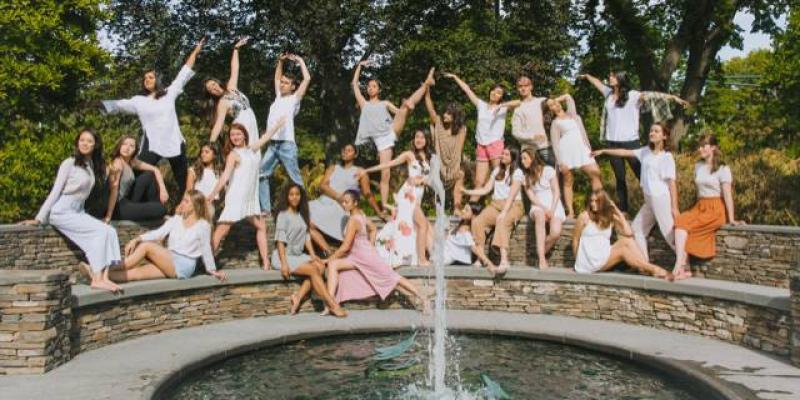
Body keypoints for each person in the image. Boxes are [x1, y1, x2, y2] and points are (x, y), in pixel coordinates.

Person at [101, 37, 206, 197]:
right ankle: (128, 203)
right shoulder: (139, 101)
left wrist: (196, 51)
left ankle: (185, 209)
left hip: (174, 142)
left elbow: (184, 72)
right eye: (145, 78)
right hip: (152, 144)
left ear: (158, 80)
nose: (147, 80)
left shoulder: (169, 93)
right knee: (139, 173)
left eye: (150, 77)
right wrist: (97, 104)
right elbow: (118, 105)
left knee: (182, 179)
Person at [21, 129, 122, 293]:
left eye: (89, 141)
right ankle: (96, 279)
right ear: (77, 142)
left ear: (95, 145)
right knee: (100, 232)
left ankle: (105, 278)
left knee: (110, 231)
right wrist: (39, 218)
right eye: (82, 140)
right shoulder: (69, 163)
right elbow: (56, 191)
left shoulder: (91, 166)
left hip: (78, 211)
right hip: (62, 211)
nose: (85, 143)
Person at [578, 71, 688, 214]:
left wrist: (673, 98)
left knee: (643, 174)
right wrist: (587, 76)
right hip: (613, 143)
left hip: (631, 143)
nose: (609, 78)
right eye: (609, 75)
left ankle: (656, 204)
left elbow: (653, 95)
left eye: (613, 76)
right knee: (620, 178)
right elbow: (597, 82)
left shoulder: (633, 95)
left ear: (620, 79)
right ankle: (624, 209)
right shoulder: (608, 94)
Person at [324, 190, 430, 314]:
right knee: (333, 265)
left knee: (393, 278)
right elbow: (373, 228)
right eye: (342, 201)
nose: (343, 204)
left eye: (347, 202)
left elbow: (345, 247)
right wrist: (370, 245)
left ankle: (424, 299)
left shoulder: (354, 220)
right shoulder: (360, 215)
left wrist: (328, 258)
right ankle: (330, 305)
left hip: (365, 257)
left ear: (355, 203)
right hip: (356, 257)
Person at [592, 122, 678, 262]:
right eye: (651, 130)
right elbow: (624, 152)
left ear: (664, 136)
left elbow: (672, 184)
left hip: (660, 199)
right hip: (649, 200)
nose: (652, 133)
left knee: (669, 234)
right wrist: (604, 151)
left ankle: (684, 264)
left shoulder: (666, 157)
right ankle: (644, 263)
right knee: (637, 230)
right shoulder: (645, 151)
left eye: (656, 131)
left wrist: (674, 208)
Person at [352, 64, 434, 209]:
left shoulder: (385, 103)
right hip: (382, 142)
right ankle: (384, 204)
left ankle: (426, 84)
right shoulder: (364, 104)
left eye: (374, 86)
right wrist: (360, 66)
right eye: (369, 86)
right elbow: (354, 84)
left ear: (379, 90)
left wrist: (406, 109)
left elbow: (398, 112)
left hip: (391, 131)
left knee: (405, 107)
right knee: (385, 173)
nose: (370, 88)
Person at [209, 120, 286, 270]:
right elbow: (225, 177)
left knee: (262, 227)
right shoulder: (233, 155)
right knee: (221, 230)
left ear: (244, 135)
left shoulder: (251, 150)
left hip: (250, 199)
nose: (235, 137)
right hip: (236, 198)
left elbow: (266, 137)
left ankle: (265, 262)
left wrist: (277, 126)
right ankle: (207, 263)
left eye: (238, 134)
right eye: (232, 135)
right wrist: (213, 194)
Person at [110, 190, 226, 282]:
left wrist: (212, 270)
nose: (182, 204)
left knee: (146, 246)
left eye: (186, 201)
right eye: (183, 200)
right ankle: (103, 276)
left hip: (185, 264)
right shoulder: (177, 219)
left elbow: (206, 249)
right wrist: (137, 238)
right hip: (169, 259)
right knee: (135, 274)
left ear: (194, 206)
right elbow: (159, 232)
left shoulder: (203, 225)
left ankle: (111, 267)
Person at [673, 134, 744, 279]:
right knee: (680, 221)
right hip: (700, 206)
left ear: (713, 147)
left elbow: (727, 194)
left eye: (704, 145)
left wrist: (731, 218)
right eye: (699, 146)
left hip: (715, 208)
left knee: (688, 229)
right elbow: (699, 192)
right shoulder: (698, 166)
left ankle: (680, 266)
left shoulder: (723, 168)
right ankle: (683, 266)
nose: (700, 149)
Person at [272, 183, 347, 317]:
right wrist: (284, 263)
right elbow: (280, 241)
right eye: (291, 195)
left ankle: (298, 297)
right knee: (313, 270)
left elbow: (306, 237)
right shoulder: (283, 215)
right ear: (287, 197)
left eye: (297, 194)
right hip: (283, 256)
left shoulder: (302, 215)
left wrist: (313, 255)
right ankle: (332, 304)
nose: (295, 198)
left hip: (299, 255)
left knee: (320, 267)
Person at [360, 130, 434, 267]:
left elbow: (431, 179)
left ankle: (419, 257)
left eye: (422, 137)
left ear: (427, 140)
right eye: (417, 137)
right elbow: (389, 164)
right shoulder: (409, 155)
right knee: (422, 224)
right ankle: (422, 260)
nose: (419, 140)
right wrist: (368, 170)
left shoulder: (428, 157)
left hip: (417, 197)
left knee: (419, 226)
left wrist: (422, 180)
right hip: (408, 196)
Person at [572, 190, 673, 281]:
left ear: (604, 202)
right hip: (587, 261)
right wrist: (578, 259)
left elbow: (629, 232)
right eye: (591, 201)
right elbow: (575, 240)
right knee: (624, 248)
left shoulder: (609, 218)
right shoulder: (584, 217)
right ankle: (652, 268)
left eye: (597, 201)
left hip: (602, 257)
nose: (593, 204)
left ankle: (646, 268)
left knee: (628, 241)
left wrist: (616, 210)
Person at [258, 53, 311, 215]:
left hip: (286, 144)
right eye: (282, 83)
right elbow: (276, 77)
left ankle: (304, 209)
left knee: (295, 178)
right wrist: (280, 61)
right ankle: (266, 209)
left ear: (293, 86)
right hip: (272, 145)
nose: (282, 85)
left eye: (286, 83)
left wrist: (301, 61)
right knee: (261, 174)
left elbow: (307, 79)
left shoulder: (294, 99)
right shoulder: (278, 97)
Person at [308, 144, 385, 253]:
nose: (345, 152)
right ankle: (328, 251)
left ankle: (328, 251)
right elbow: (322, 185)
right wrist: (337, 196)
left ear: (355, 154)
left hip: (341, 207)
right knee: (302, 213)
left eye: (349, 150)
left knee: (310, 221)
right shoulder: (333, 168)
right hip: (323, 202)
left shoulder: (359, 171)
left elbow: (367, 193)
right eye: (344, 150)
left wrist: (379, 212)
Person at [444, 73, 509, 203]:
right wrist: (455, 77)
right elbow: (467, 90)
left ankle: (503, 204)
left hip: (495, 145)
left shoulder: (503, 108)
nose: (494, 94)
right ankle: (472, 208)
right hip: (481, 145)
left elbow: (519, 102)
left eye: (498, 93)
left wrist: (501, 106)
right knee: (479, 181)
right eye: (494, 91)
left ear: (501, 97)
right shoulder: (482, 105)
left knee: (500, 176)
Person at [461, 148, 525, 275]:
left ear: (513, 157)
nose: (503, 155)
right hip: (495, 204)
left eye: (506, 154)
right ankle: (480, 257)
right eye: (503, 153)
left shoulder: (517, 172)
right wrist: (468, 192)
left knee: (502, 221)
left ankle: (504, 260)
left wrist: (504, 212)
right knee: (478, 221)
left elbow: (512, 195)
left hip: (513, 205)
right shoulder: (497, 171)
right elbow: (486, 189)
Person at [546, 94, 603, 218]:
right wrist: (560, 162)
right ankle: (570, 211)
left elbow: (568, 97)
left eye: (555, 103)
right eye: (551, 106)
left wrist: (556, 99)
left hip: (582, 149)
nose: (555, 105)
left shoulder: (573, 115)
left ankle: (598, 206)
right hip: (566, 152)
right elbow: (555, 144)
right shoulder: (555, 123)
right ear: (549, 110)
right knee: (568, 181)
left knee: (595, 173)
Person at [102, 135, 168, 222]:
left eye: (131, 146)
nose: (127, 148)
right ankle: (158, 213)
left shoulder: (132, 162)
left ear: (135, 150)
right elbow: (114, 190)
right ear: (119, 146)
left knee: (148, 175)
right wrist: (108, 216)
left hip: (127, 200)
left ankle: (155, 210)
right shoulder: (117, 164)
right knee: (162, 209)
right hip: (117, 206)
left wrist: (163, 189)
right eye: (124, 144)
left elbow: (155, 169)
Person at [205, 38, 259, 144]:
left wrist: (235, 49)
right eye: (210, 89)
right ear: (211, 94)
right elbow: (218, 124)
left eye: (213, 84)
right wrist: (210, 143)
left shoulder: (231, 87)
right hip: (241, 128)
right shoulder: (221, 103)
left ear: (218, 82)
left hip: (252, 124)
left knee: (255, 156)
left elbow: (235, 68)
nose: (213, 88)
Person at [519, 149, 566, 269]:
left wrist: (551, 209)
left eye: (524, 158)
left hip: (554, 205)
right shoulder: (526, 178)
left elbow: (556, 191)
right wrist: (544, 208)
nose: (522, 161)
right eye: (521, 159)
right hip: (538, 205)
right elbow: (532, 197)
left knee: (555, 232)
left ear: (532, 157)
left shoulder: (548, 170)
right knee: (539, 217)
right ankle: (542, 259)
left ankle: (540, 251)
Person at [424, 83, 468, 211]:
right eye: (444, 113)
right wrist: (427, 90)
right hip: (439, 164)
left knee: (460, 174)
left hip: (453, 165)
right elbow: (430, 109)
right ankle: (436, 208)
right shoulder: (439, 124)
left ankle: (456, 208)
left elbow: (459, 150)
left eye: (448, 114)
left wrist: (455, 167)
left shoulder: (461, 130)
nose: (444, 115)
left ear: (455, 116)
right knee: (433, 172)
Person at [502, 76, 556, 166]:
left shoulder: (541, 101)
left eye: (526, 85)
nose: (523, 88)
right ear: (518, 89)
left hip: (546, 147)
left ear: (531, 87)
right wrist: (532, 137)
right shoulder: (518, 109)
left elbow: (557, 109)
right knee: (531, 179)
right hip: (529, 151)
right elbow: (515, 132)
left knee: (552, 177)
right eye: (520, 86)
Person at [185, 142, 221, 217]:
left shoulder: (219, 173)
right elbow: (189, 191)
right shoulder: (194, 170)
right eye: (202, 152)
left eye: (207, 152)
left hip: (210, 207)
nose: (203, 154)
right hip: (194, 206)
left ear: (214, 155)